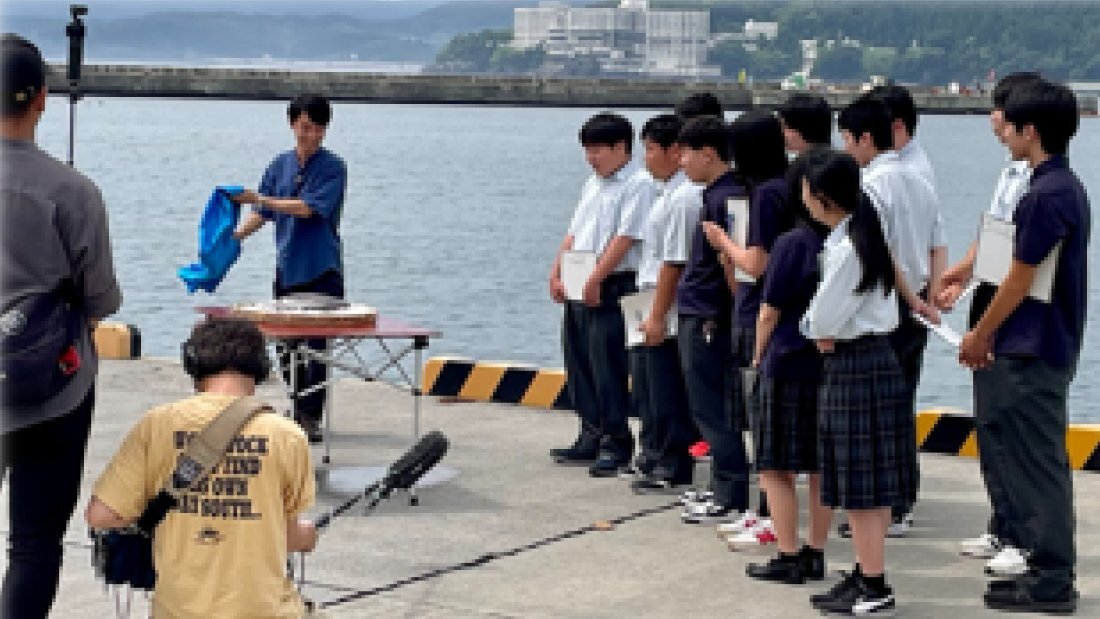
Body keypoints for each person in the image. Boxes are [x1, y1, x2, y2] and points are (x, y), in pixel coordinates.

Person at [1, 34, 123, 618]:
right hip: (55, 388)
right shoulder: (75, 191)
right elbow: (101, 297)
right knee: (34, 545)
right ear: (43, 100)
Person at [86, 317, 318, 619]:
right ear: (261, 368)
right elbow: (287, 537)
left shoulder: (158, 424)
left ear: (192, 364)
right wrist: (307, 536)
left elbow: (101, 515)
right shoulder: (287, 435)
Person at [959, 78, 1087, 615]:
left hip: (1032, 346)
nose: (1002, 130)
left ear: (1029, 131)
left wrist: (980, 331)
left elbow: (1018, 276)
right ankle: (1040, 567)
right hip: (1039, 341)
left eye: (1008, 122)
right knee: (1030, 459)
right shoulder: (1059, 186)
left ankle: (1053, 577)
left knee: (1037, 463)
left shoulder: (1046, 194)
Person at [937, 72, 1043, 576]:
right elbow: (993, 236)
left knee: (1013, 430)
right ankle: (1003, 523)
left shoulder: (1038, 180)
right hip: (990, 293)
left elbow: (1017, 258)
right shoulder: (1010, 171)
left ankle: (1024, 536)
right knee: (990, 424)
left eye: (999, 110)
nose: (992, 120)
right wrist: (960, 276)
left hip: (1013, 311)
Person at [800, 150, 911, 616]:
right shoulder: (864, 237)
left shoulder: (849, 249)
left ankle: (875, 584)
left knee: (861, 485)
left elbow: (821, 319)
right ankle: (866, 572)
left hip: (855, 364)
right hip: (872, 361)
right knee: (866, 480)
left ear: (822, 197)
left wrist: (813, 329)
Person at [838, 96, 943, 538]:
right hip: (917, 301)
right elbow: (938, 244)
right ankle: (902, 501)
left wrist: (909, 298)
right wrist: (930, 296)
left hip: (888, 304)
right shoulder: (921, 179)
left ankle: (888, 506)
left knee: (876, 412)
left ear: (866, 138)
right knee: (903, 404)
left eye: (847, 139)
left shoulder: (870, 186)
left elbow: (879, 254)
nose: (845, 150)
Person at [231, 94, 347, 443]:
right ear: (291, 124)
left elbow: (307, 208)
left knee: (316, 350)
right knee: (285, 346)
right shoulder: (279, 165)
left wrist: (261, 199)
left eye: (312, 127)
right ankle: (298, 405)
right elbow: (262, 213)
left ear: (324, 130)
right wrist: (235, 237)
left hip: (321, 270)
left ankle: (310, 416)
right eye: (300, 125)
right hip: (287, 269)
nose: (305, 133)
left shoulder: (333, 168)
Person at [700, 110, 790, 548]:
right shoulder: (785, 187)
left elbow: (757, 261)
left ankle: (771, 516)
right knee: (761, 420)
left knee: (764, 421)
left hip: (762, 312)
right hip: (758, 305)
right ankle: (762, 510)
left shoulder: (768, 195)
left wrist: (724, 243)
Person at [742, 148, 831, 585]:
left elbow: (769, 310)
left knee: (775, 467)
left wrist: (758, 354)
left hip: (787, 359)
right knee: (819, 466)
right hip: (827, 363)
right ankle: (816, 550)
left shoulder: (793, 243)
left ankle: (788, 552)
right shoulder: (848, 241)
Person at [548, 112, 653, 477]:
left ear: (621, 148)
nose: (591, 157)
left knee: (608, 365)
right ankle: (588, 434)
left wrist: (596, 278)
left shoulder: (637, 184)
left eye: (598, 149)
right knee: (579, 361)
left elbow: (625, 239)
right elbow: (574, 231)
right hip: (579, 275)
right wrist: (556, 270)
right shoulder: (593, 184)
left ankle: (616, 441)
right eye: (587, 150)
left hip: (612, 282)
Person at [675, 116, 750, 524]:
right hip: (699, 307)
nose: (681, 161)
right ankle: (723, 483)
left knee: (713, 404)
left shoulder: (727, 198)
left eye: (686, 152)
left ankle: (730, 488)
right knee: (704, 403)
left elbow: (732, 263)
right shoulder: (714, 194)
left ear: (708, 153)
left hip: (708, 313)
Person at [628, 113, 702, 493]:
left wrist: (657, 316)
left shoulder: (685, 198)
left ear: (676, 152)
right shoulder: (668, 193)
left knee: (667, 389)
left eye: (651, 149)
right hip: (651, 298)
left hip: (666, 304)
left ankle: (674, 463)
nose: (646, 158)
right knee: (650, 387)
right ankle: (657, 454)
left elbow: (674, 263)